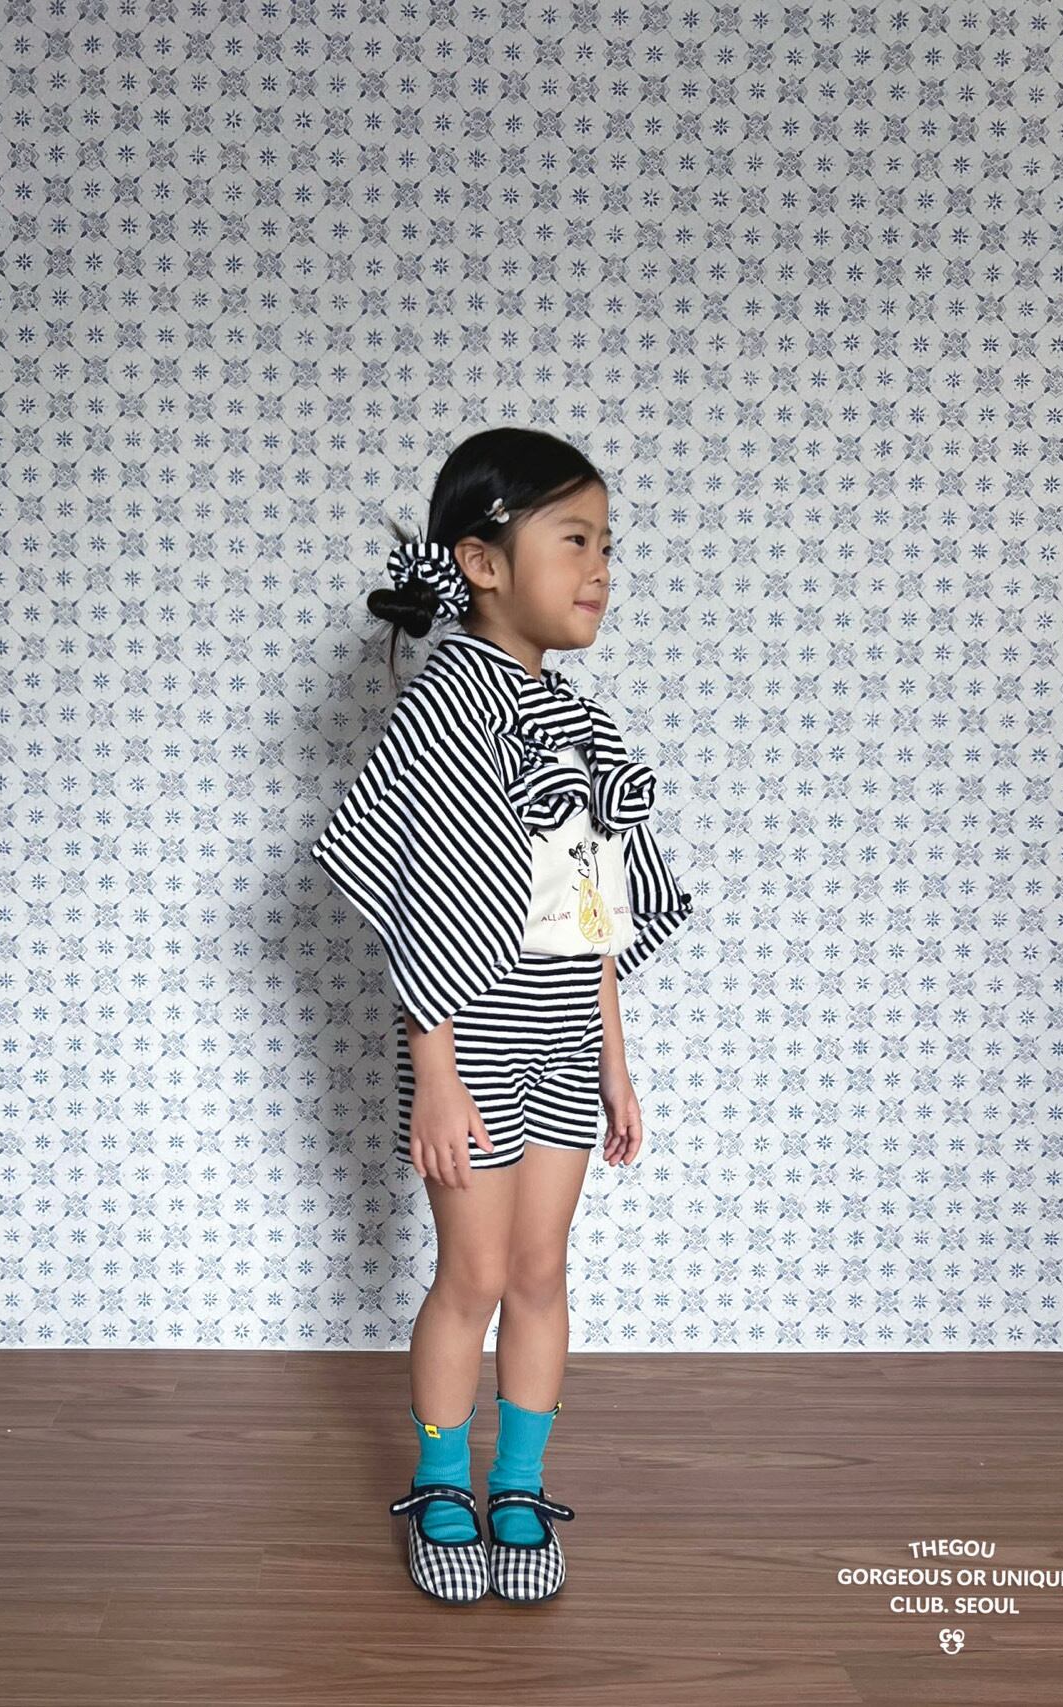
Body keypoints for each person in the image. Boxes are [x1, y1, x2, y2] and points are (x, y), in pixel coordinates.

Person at [310, 426, 693, 1604]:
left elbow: (587, 915)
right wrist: (432, 1072)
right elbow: (415, 890)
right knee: (470, 1275)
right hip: (467, 1042)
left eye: (606, 544)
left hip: (564, 1041)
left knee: (539, 1270)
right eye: (572, 540)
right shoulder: (444, 710)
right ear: (481, 561)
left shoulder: (577, 723)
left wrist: (614, 1063)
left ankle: (517, 1487)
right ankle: (440, 1484)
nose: (599, 568)